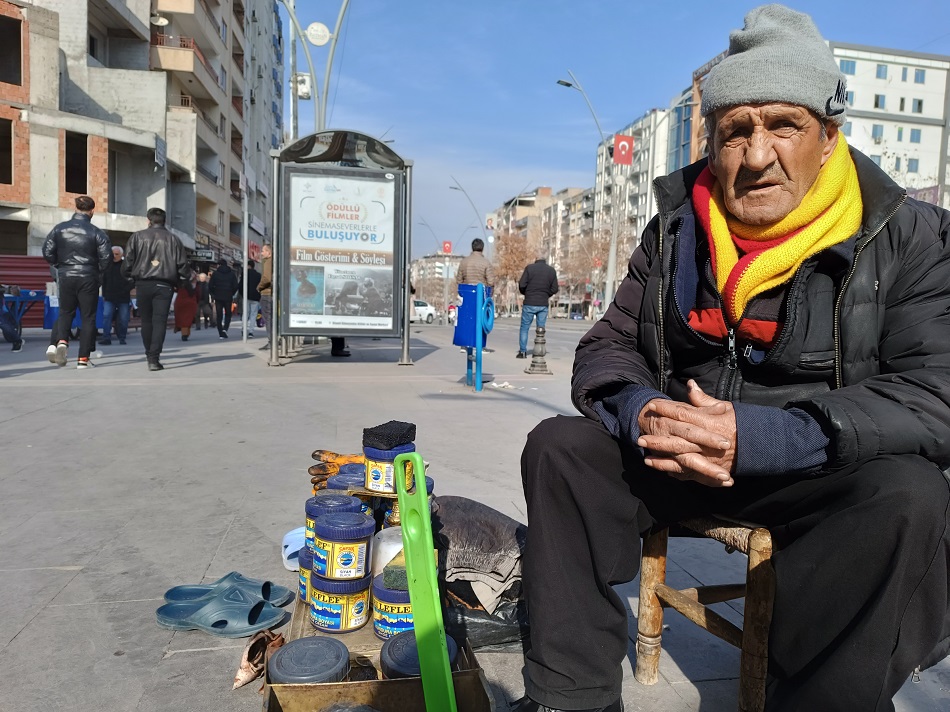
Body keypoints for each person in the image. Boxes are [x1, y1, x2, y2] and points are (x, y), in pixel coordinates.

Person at [516, 6, 950, 712]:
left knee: (910, 495)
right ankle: (571, 697)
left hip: (818, 468)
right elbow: (607, 345)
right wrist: (641, 410)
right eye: (735, 132)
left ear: (828, 136)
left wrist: (767, 436)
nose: (756, 155)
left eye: (784, 126)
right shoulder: (677, 225)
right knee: (560, 449)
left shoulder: (908, 235)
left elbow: (936, 391)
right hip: (679, 454)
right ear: (713, 140)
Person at [42, 195, 111, 369]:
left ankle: (62, 341)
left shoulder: (59, 229)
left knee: (65, 311)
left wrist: (60, 265)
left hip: (66, 274)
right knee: (88, 317)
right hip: (89, 275)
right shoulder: (97, 232)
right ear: (92, 211)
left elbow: (47, 251)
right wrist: (98, 273)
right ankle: (83, 359)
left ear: (75, 209)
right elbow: (106, 258)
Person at [123, 207, 189, 371]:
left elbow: (127, 264)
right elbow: (183, 267)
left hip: (143, 284)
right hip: (164, 285)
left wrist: (132, 280)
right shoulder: (174, 239)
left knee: (146, 321)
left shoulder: (137, 237)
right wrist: (179, 284)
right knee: (159, 321)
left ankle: (149, 355)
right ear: (165, 220)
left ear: (149, 220)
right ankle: (154, 358)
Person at [516, 257, 558, 358]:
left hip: (529, 302)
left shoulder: (529, 268)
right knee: (541, 329)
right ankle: (538, 352)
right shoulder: (551, 271)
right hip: (543, 304)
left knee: (524, 328)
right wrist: (546, 294)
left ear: (536, 259)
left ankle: (522, 352)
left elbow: (522, 284)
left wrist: (527, 293)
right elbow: (555, 288)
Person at [100, 246, 134, 346]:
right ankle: (106, 337)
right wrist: (104, 294)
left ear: (121, 255)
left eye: (116, 254)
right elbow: (103, 280)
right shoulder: (107, 265)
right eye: (113, 254)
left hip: (123, 297)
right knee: (106, 316)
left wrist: (125, 290)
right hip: (109, 296)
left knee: (123, 318)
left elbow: (132, 280)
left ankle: (122, 337)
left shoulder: (126, 266)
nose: (114, 256)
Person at [209, 258, 238, 339]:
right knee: (228, 313)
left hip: (218, 297)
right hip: (228, 296)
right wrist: (231, 292)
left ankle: (220, 333)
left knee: (219, 315)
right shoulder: (231, 274)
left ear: (219, 265)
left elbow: (210, 286)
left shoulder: (215, 274)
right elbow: (236, 286)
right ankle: (225, 329)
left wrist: (213, 294)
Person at [173, 271, 198, 341]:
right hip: (190, 303)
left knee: (181, 318)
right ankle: (185, 334)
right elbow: (198, 293)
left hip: (180, 302)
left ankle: (181, 330)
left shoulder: (180, 285)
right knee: (187, 319)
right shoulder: (193, 285)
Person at [240, 259, 261, 337]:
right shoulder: (258, 275)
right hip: (255, 297)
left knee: (245, 313)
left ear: (248, 266)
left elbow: (240, 285)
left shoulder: (245, 274)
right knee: (253, 314)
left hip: (246, 296)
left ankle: (243, 329)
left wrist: (242, 294)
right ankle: (251, 331)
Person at [257, 243, 272, 351]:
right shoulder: (274, 261)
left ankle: (271, 341)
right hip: (271, 293)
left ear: (269, 252)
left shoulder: (268, 262)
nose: (261, 253)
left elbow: (267, 278)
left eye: (263, 251)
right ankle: (274, 340)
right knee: (271, 318)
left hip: (267, 293)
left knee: (268, 318)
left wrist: (259, 287)